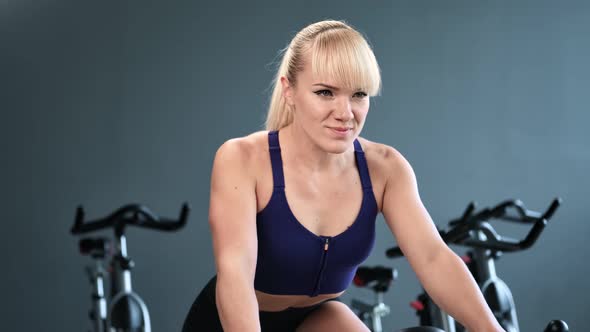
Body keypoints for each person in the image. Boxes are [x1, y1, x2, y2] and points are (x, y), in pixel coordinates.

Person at [182, 19, 504, 332]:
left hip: (316, 318)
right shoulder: (242, 159)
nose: (345, 113)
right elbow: (235, 275)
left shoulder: (386, 168)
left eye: (358, 94)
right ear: (289, 90)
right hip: (230, 321)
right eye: (325, 93)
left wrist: (491, 330)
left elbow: (434, 259)